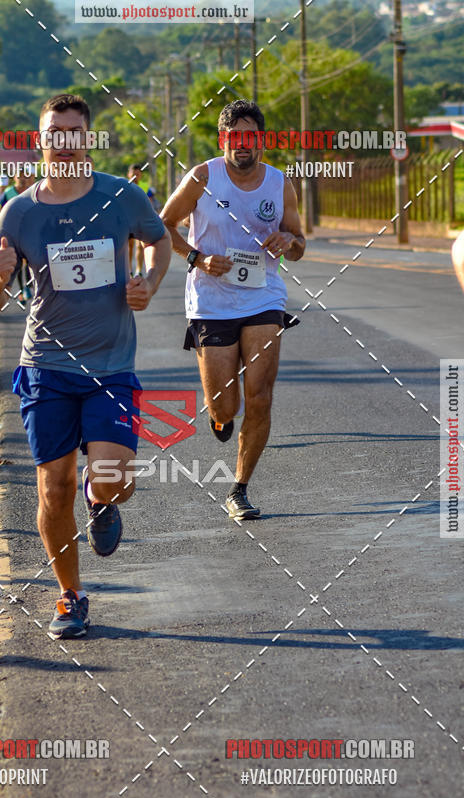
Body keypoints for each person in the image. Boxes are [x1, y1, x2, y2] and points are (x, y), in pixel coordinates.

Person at [0, 93, 171, 639]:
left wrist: (150, 283)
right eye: (53, 133)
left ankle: (101, 500)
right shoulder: (17, 212)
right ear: (41, 140)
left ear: (87, 138)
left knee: (112, 481)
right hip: (46, 367)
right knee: (51, 488)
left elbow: (159, 241)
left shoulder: (120, 196)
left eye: (73, 132)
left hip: (110, 367)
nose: (64, 142)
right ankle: (69, 596)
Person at [161, 98, 305, 520]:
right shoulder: (202, 177)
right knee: (226, 405)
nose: (243, 144)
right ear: (224, 139)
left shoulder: (280, 184)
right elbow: (162, 224)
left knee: (259, 397)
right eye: (234, 136)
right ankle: (221, 418)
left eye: (251, 136)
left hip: (264, 298)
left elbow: (298, 243)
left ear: (261, 140)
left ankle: (239, 489)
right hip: (210, 300)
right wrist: (197, 259)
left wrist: (288, 243)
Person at [1, 170, 37, 303]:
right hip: (14, 232)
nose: (22, 178)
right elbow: (2, 211)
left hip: (31, 231)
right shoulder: (9, 193)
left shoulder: (33, 191)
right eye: (19, 175)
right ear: (14, 177)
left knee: (29, 262)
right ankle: (21, 290)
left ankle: (28, 287)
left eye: (25, 175)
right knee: (17, 263)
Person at [127, 164, 158, 275]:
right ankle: (129, 269)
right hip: (127, 220)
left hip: (141, 220)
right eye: (133, 174)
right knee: (129, 246)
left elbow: (150, 203)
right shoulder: (123, 186)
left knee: (140, 245)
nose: (135, 176)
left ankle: (138, 270)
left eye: (138, 174)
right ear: (128, 174)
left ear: (141, 175)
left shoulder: (145, 187)